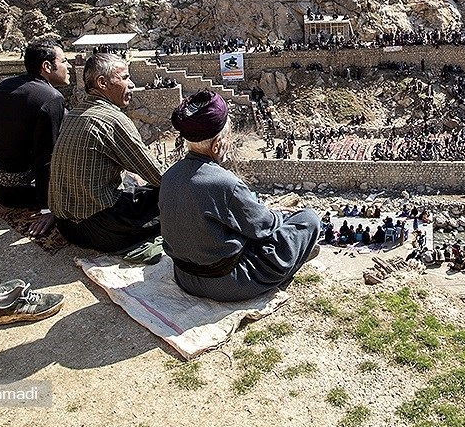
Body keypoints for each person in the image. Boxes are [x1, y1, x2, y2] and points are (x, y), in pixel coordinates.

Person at [160, 90, 321, 302]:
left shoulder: (169, 175)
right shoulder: (225, 182)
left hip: (184, 277)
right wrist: (282, 215)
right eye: (228, 138)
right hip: (227, 283)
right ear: (217, 145)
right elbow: (265, 226)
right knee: (308, 219)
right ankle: (289, 265)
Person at [48, 53, 163, 253]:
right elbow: (159, 176)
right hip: (100, 231)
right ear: (102, 83)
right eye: (125, 78)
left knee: (133, 185)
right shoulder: (112, 119)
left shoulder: (74, 113)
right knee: (171, 194)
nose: (132, 84)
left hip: (66, 226)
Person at [0, 42, 71, 235]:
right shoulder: (51, 98)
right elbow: (45, 158)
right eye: (64, 61)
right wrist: (48, 209)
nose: (68, 66)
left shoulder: (4, 86)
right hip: (15, 190)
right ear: (47, 67)